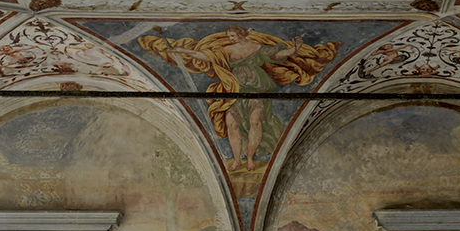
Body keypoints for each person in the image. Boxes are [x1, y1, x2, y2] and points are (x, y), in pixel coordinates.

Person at [140, 27, 338, 172]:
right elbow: (205, 56)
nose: (230, 38)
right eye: (228, 36)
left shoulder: (257, 47)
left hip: (257, 88)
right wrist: (181, 51)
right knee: (231, 124)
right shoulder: (227, 51)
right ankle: (236, 159)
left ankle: (250, 158)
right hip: (234, 88)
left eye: (232, 35)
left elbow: (279, 54)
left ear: (241, 33)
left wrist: (295, 47)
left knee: (255, 121)